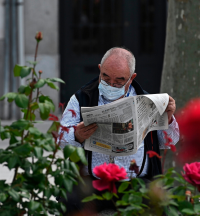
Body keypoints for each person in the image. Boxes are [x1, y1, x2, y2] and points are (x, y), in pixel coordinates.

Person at [58, 47, 180, 214]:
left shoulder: (146, 101)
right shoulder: (81, 98)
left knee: (162, 204)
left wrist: (169, 118)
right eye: (106, 78)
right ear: (100, 69)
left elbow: (169, 142)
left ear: (131, 78)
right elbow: (60, 139)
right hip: (93, 182)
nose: (111, 84)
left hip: (135, 183)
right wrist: (76, 135)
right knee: (68, 201)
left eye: (119, 81)